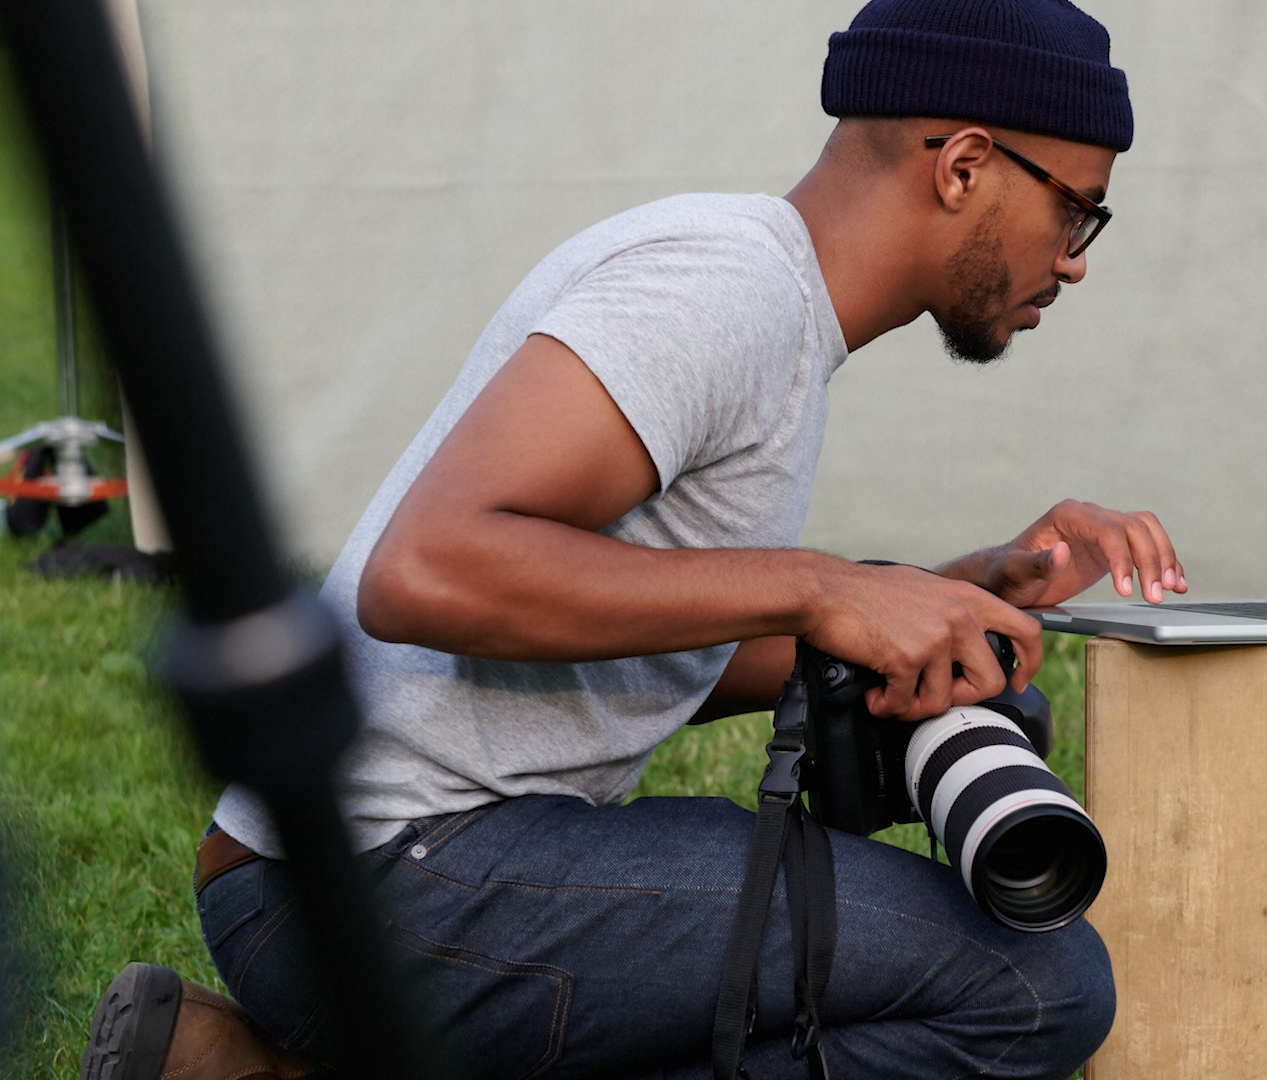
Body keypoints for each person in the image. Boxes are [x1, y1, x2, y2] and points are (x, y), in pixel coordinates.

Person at [80, 1, 1187, 1077]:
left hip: (384, 873)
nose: (1078, 256)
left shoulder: (778, 313)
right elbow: (423, 572)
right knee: (1038, 988)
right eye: (1077, 210)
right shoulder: (725, 290)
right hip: (372, 888)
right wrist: (819, 586)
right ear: (963, 166)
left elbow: (640, 653)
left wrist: (945, 594)